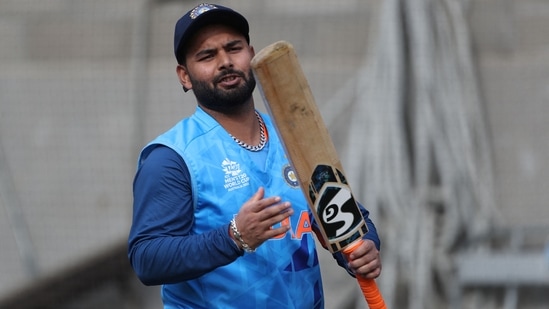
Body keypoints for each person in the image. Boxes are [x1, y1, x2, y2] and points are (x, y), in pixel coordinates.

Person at [128, 3, 382, 308]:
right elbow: (147, 259)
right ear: (185, 76)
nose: (224, 62)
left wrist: (364, 247)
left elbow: (347, 215)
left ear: (251, 54)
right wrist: (234, 236)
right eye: (207, 56)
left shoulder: (296, 136)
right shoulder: (170, 158)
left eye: (233, 48)